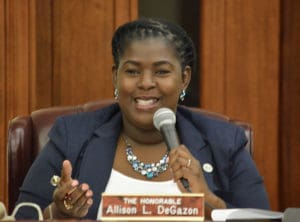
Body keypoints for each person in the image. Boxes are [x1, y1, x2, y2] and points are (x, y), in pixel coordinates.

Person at [15, 17, 270, 220]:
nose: (146, 83)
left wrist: (208, 201)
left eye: (161, 71)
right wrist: (56, 214)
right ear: (116, 77)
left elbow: (263, 220)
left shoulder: (225, 142)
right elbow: (23, 216)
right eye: (133, 71)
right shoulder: (72, 136)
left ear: (184, 79)